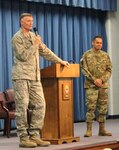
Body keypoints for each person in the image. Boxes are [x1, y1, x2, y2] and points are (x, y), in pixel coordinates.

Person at [11, 13, 69, 148]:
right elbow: (23, 56)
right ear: (22, 22)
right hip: (21, 77)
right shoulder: (17, 38)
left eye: (32, 21)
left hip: (35, 77)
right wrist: (35, 45)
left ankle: (35, 135)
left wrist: (60, 61)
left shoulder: (33, 37)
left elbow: (46, 51)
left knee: (40, 105)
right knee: (22, 107)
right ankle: (23, 138)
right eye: (28, 21)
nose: (31, 23)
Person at [80, 35, 112, 137]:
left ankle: (102, 130)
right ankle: (89, 130)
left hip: (103, 86)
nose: (99, 44)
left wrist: (101, 80)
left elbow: (109, 70)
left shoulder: (105, 55)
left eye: (101, 43)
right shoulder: (87, 55)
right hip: (91, 85)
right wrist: (94, 80)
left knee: (103, 108)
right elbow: (84, 69)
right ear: (93, 43)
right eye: (97, 42)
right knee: (90, 107)